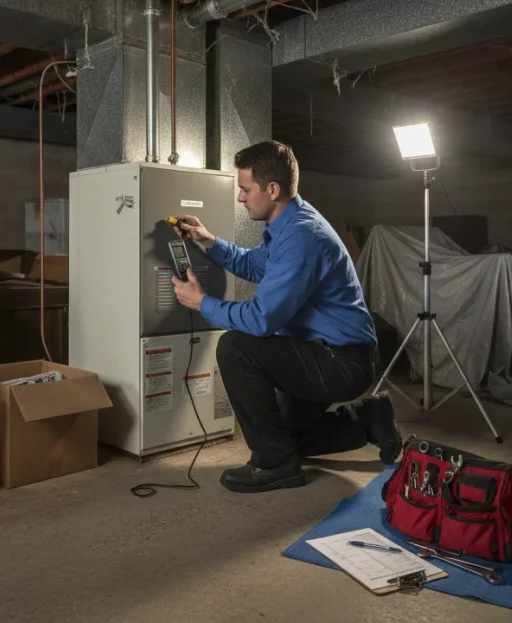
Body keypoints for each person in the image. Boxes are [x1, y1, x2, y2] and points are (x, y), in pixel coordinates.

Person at [171, 140, 400, 493]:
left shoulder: (301, 235)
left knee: (235, 347)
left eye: (245, 189)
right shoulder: (290, 223)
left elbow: (262, 319)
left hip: (341, 361)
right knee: (283, 433)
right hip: (323, 351)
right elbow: (251, 264)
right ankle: (369, 420)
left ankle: (275, 466)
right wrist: (208, 240)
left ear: (272, 189)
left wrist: (202, 303)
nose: (240, 197)